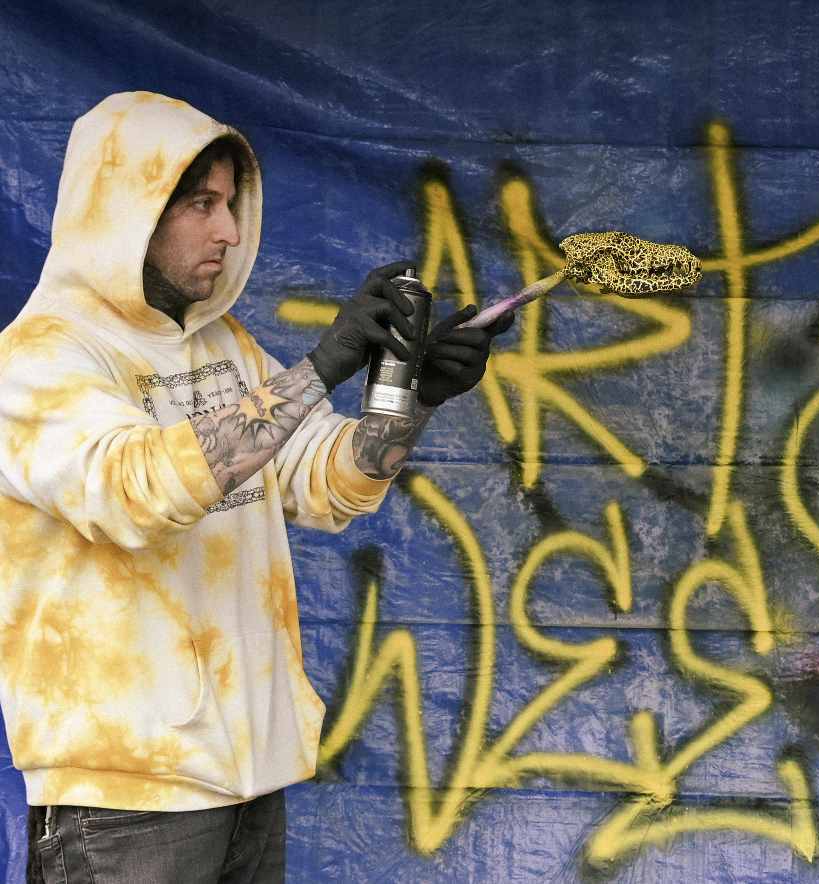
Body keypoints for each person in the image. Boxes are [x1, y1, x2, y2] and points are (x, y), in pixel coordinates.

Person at [0, 92, 512, 884]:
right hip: (127, 797)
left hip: (248, 776)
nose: (230, 232)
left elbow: (327, 483)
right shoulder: (38, 357)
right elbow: (137, 490)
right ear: (125, 207)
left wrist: (411, 399)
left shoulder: (221, 343)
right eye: (201, 204)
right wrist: (321, 368)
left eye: (230, 204)